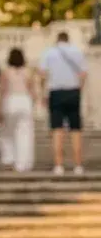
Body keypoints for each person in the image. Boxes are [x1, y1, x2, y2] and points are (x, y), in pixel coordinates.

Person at [39, 30, 87, 175]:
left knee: (57, 129)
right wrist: (79, 89)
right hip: (73, 91)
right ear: (68, 39)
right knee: (76, 129)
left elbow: (42, 74)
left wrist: (43, 93)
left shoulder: (49, 52)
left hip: (56, 92)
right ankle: (78, 165)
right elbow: (84, 74)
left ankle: (59, 165)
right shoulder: (77, 52)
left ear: (57, 40)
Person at [0, 48, 36, 173]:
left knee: (8, 133)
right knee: (25, 134)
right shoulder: (28, 72)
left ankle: (9, 158)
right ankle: (23, 163)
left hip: (11, 100)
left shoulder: (6, 72)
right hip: (25, 101)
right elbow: (32, 90)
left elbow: (2, 90)